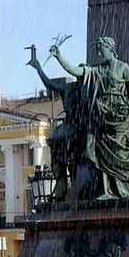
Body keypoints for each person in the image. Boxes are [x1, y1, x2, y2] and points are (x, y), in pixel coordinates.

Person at [49, 37, 129, 200]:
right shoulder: (97, 70)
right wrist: (59, 57)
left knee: (122, 155)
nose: (100, 54)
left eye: (102, 49)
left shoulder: (123, 67)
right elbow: (76, 71)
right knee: (95, 152)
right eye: (98, 51)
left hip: (119, 117)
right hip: (100, 117)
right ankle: (104, 190)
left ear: (111, 48)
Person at [26, 48, 84, 201]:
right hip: (71, 127)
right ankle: (62, 186)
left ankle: (75, 186)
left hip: (84, 129)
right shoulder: (70, 88)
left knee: (74, 158)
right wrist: (39, 68)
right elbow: (49, 84)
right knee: (57, 144)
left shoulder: (91, 90)